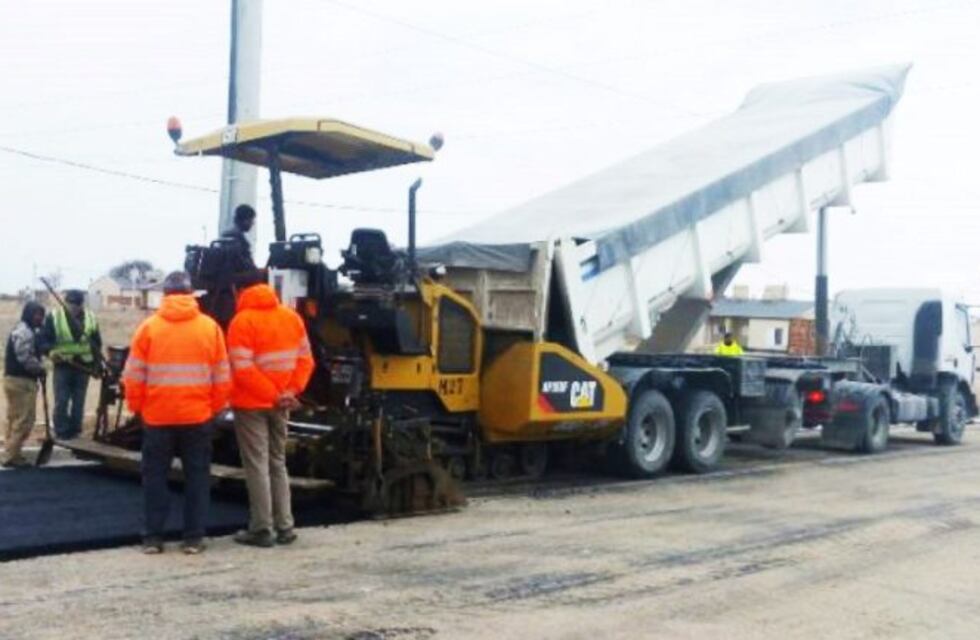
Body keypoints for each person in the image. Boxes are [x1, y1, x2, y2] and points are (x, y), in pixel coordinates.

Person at [122, 271, 231, 555]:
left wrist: (139, 408)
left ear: (166, 296)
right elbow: (222, 377)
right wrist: (212, 409)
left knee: (155, 478)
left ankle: (153, 538)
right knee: (197, 478)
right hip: (197, 418)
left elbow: (133, 376)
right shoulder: (210, 328)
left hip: (158, 419)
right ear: (191, 294)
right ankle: (193, 538)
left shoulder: (148, 328)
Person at [227, 275, 314, 547]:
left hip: (252, 404)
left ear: (241, 291)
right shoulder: (291, 318)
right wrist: (290, 392)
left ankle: (261, 529)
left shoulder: (242, 322)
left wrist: (273, 395)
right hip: (283, 403)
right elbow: (305, 360)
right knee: (278, 462)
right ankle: (285, 525)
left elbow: (242, 368)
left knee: (257, 465)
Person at [40, 290, 101, 440]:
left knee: (79, 401)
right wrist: (50, 352)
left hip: (83, 366)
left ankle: (75, 430)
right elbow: (43, 341)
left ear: (82, 305)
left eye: (77, 304)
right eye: (71, 304)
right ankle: (61, 430)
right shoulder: (54, 317)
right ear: (66, 303)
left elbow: (96, 344)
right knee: (62, 400)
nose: (73, 307)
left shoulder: (91, 318)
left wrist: (96, 365)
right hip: (63, 365)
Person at [3, 301, 46, 467]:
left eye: (41, 315)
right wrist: (40, 369)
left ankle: (11, 451)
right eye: (36, 314)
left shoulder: (24, 330)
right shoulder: (24, 332)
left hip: (14, 380)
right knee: (25, 420)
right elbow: (25, 358)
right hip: (21, 382)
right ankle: (11, 456)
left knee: (14, 419)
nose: (39, 318)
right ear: (28, 314)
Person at [221, 203, 258, 272]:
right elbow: (244, 264)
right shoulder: (238, 238)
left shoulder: (225, 235)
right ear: (245, 220)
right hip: (240, 276)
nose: (252, 223)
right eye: (251, 220)